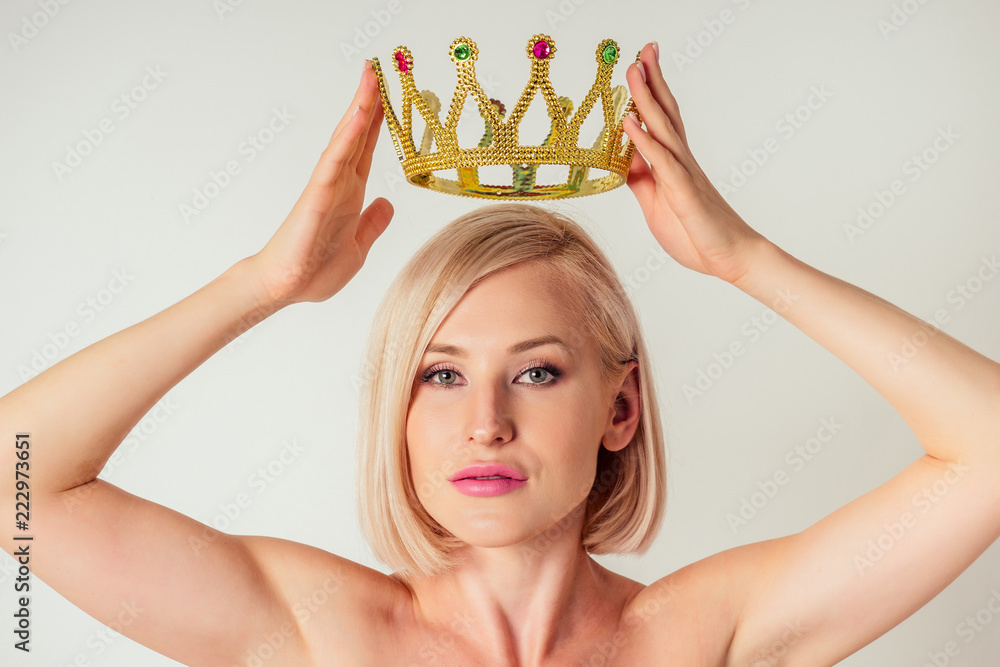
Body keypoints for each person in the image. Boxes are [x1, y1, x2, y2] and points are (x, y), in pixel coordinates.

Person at [2, 41, 999, 666]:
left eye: (536, 370)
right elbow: (15, 482)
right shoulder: (316, 634)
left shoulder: (705, 636)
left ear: (620, 410)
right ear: (398, 409)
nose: (484, 420)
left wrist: (744, 260)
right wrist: (262, 284)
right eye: (440, 373)